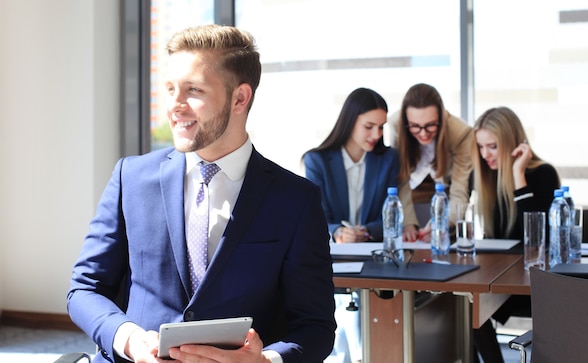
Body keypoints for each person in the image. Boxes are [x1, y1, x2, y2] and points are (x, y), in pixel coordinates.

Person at [67, 24, 336, 363]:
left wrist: (265, 361)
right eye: (169, 89)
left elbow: (315, 327)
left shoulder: (296, 200)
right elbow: (85, 290)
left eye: (193, 90)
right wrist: (130, 340)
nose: (175, 105)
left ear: (240, 98)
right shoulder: (130, 178)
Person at [302, 87, 398, 363]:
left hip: (375, 258)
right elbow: (315, 217)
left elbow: (390, 216)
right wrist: (338, 232)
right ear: (350, 121)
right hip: (335, 258)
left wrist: (365, 231)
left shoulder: (387, 159)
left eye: (381, 127)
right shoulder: (317, 160)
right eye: (369, 126)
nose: (376, 135)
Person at [472, 106, 560, 362]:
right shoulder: (488, 177)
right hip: (502, 282)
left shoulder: (543, 174)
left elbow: (536, 238)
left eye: (492, 146)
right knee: (467, 305)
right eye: (481, 146)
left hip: (537, 284)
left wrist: (518, 175)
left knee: (473, 306)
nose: (485, 154)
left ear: (511, 143)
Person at [393, 83, 473, 241]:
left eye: (430, 125)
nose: (423, 134)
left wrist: (443, 222)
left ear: (441, 119)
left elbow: (460, 190)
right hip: (411, 200)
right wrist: (407, 223)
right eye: (415, 126)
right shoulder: (396, 125)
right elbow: (400, 179)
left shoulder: (461, 133)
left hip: (446, 199)